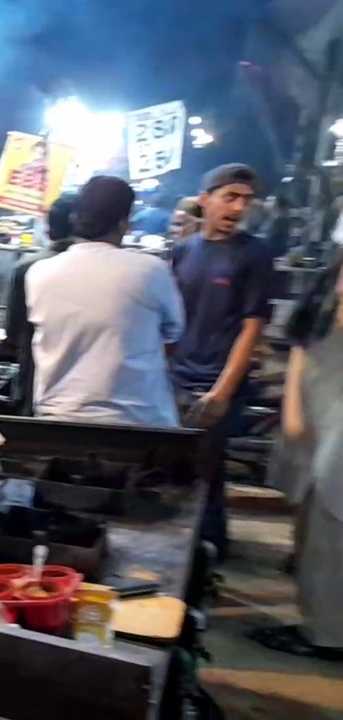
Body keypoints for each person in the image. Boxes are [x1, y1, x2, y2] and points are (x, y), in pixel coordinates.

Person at [171, 164, 273, 561]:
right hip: (178, 377)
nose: (239, 206)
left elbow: (253, 328)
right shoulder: (183, 251)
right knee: (182, 471)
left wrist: (223, 392)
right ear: (205, 199)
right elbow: (173, 319)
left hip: (218, 382)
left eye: (246, 200)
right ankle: (198, 552)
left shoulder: (254, 255)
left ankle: (208, 554)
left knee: (206, 472)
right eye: (230, 196)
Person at [25, 176, 185, 427]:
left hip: (58, 419)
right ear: (124, 223)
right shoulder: (150, 270)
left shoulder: (38, 272)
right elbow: (173, 332)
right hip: (140, 423)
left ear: (76, 219)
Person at [252, 264, 343, 661]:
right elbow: (302, 357)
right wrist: (290, 415)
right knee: (312, 534)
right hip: (316, 430)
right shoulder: (324, 305)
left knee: (329, 539)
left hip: (336, 442)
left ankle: (326, 635)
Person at [5, 193, 77, 415]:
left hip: (36, 376)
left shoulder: (27, 267)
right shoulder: (106, 270)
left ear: (48, 229)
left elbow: (13, 332)